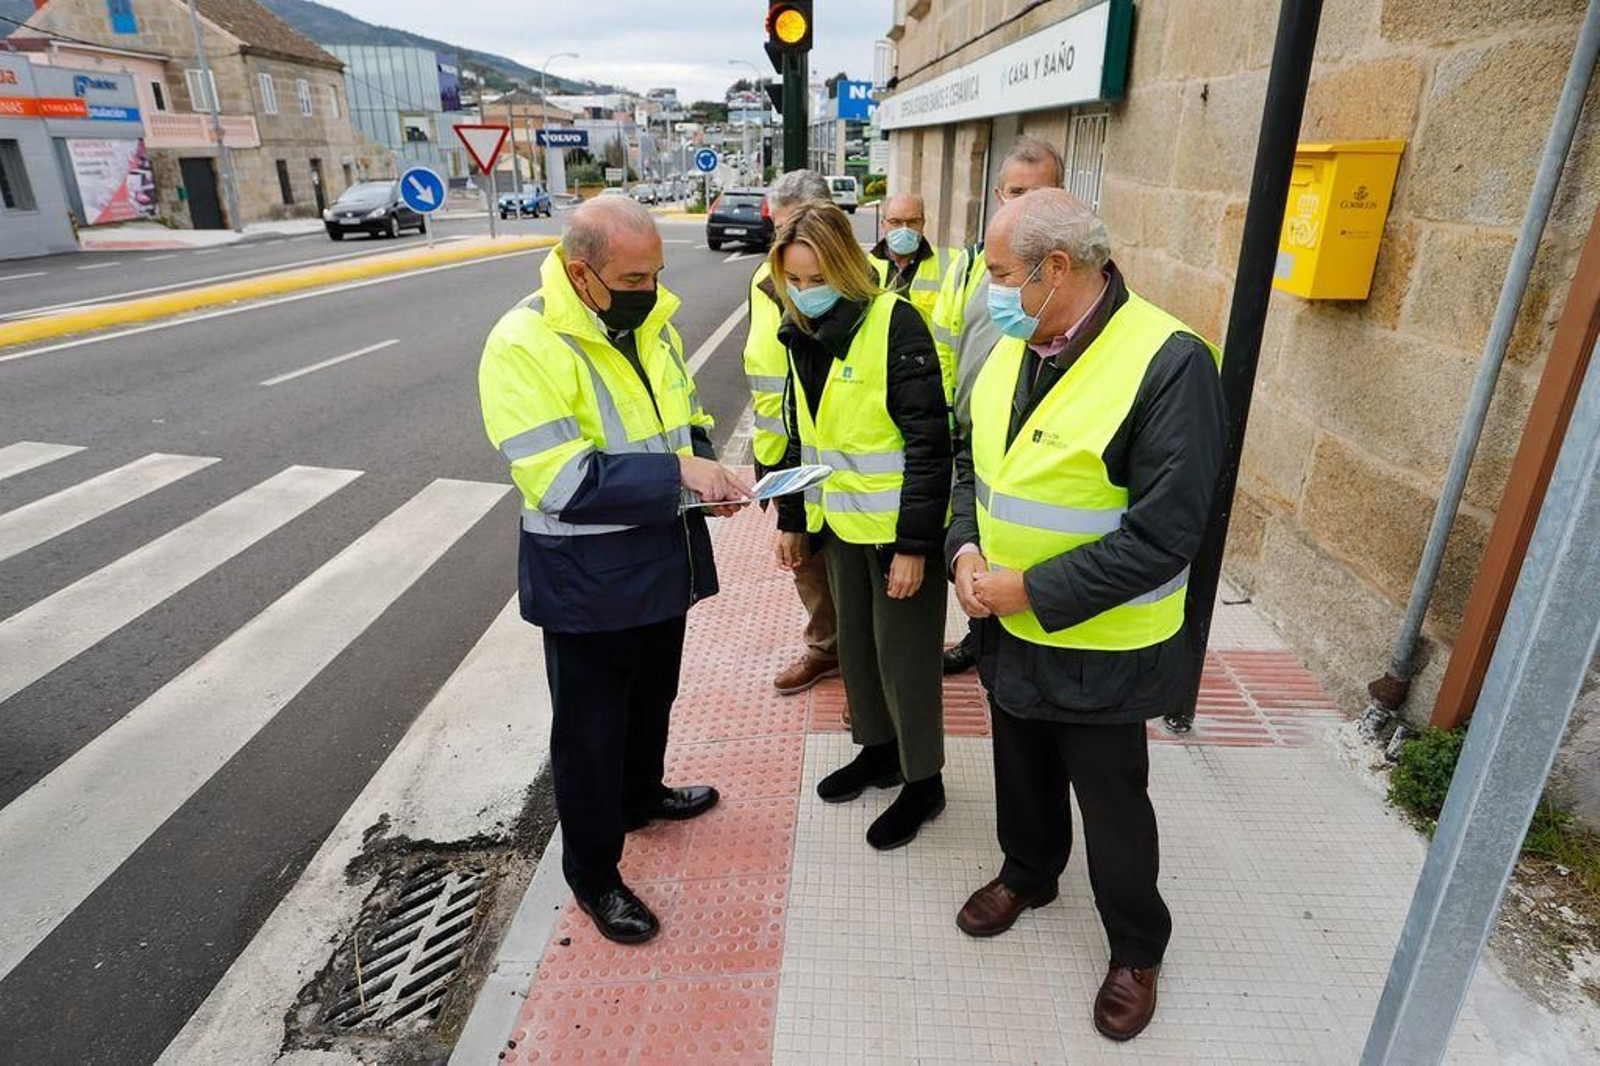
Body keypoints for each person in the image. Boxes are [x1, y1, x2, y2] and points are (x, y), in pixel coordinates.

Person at [948, 189, 1225, 1042]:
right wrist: (965, 549)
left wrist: (1028, 589)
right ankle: (1029, 873)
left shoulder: (1169, 361)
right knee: (1020, 768)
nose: (988, 289)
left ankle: (1137, 946)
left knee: (1112, 803)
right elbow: (974, 461)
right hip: (1006, 625)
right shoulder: (1014, 340)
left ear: (1054, 269)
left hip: (1103, 643)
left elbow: (1168, 533)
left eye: (999, 273)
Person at [478, 196, 751, 945]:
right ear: (581, 273)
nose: (652, 288)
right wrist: (681, 476)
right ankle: (595, 875)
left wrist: (708, 480)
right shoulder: (524, 343)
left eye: (657, 272)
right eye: (635, 275)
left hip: (660, 557)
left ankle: (642, 796)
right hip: (588, 580)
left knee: (651, 697)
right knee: (590, 735)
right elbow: (560, 480)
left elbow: (682, 415)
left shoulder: (649, 322)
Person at [770, 202, 953, 850]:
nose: (804, 293)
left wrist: (915, 547)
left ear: (846, 268)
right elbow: (802, 436)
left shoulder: (894, 324)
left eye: (815, 279)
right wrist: (793, 519)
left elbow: (932, 444)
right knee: (858, 650)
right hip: (840, 526)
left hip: (896, 536)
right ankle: (878, 751)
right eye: (793, 280)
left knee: (904, 658)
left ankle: (922, 781)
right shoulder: (800, 333)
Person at [933, 135, 1066, 676]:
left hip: (1041, 433)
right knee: (976, 534)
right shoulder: (968, 265)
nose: (1025, 206)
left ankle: (1016, 640)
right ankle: (980, 634)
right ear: (996, 194)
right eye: (1015, 192)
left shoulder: (1070, 268)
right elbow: (945, 342)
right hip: (974, 429)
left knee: (1023, 536)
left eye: (1039, 193)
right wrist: (943, 417)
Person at [744, 170, 843, 697]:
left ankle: (868, 679)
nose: (782, 245)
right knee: (802, 558)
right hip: (778, 446)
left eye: (793, 230)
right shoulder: (765, 278)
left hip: (837, 453)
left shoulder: (857, 278)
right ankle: (826, 649)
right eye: (776, 230)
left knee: (850, 565)